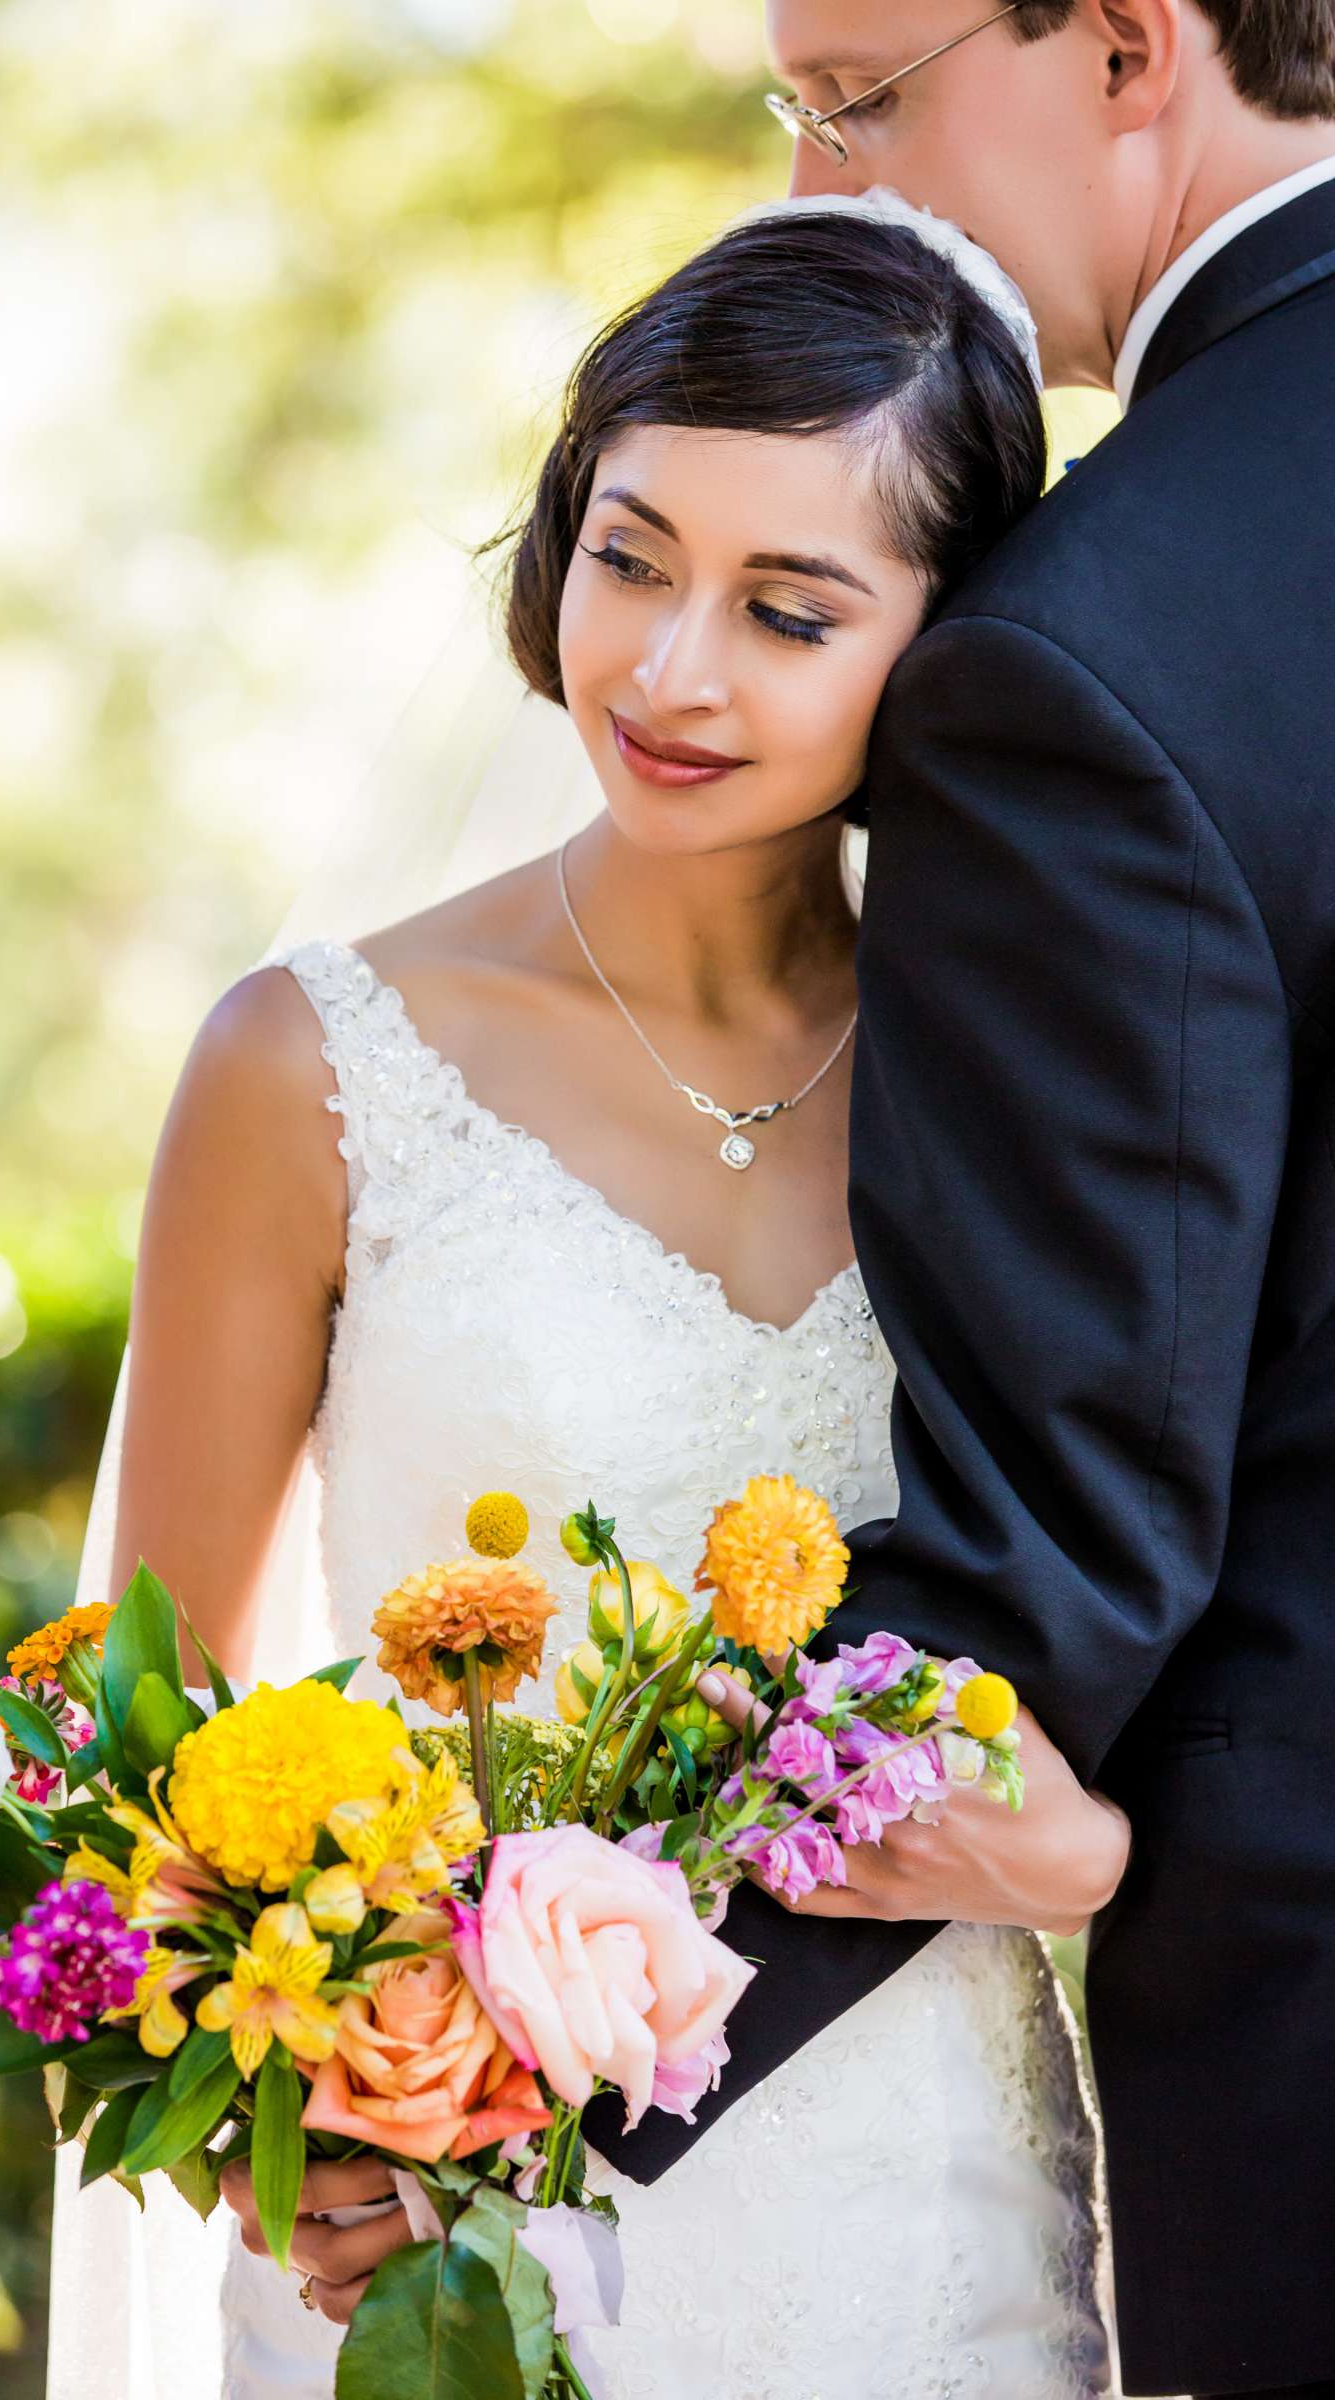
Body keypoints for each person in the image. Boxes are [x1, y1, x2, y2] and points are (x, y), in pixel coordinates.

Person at [54, 201, 1131, 2397]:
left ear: (947, 640)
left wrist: (1090, 1848)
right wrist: (270, 2137)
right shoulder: (309, 1064)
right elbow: (138, 1744)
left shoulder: (1047, 1081)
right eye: (626, 556)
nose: (665, 669)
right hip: (451, 2236)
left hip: (939, 2233)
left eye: (787, 608)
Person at [592, 6, 1335, 2400]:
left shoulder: (1082, 657)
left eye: (863, 93)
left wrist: (508, 2033)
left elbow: (1038, 1564)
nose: (822, 189)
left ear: (1122, 45)